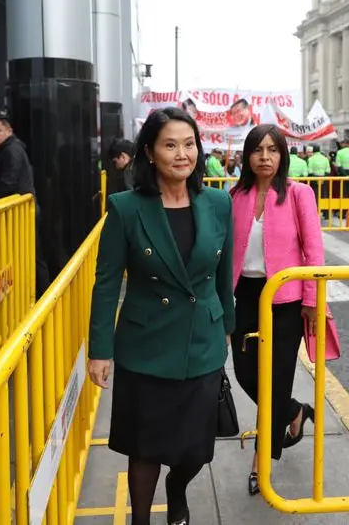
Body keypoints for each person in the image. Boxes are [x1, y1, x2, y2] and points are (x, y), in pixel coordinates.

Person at [87, 107, 235, 525]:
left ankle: (178, 488)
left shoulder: (219, 203)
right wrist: (100, 351)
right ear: (150, 152)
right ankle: (140, 520)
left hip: (202, 343)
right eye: (170, 144)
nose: (181, 154)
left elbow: (225, 275)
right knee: (146, 446)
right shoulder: (125, 208)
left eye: (189, 144)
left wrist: (226, 325)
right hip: (146, 346)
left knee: (195, 449)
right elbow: (106, 282)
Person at [228, 124, 325, 496]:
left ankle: (260, 466)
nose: (265, 157)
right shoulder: (234, 195)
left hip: (286, 301)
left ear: (283, 155)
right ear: (246, 156)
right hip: (246, 297)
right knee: (246, 375)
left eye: (272, 150)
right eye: (257, 150)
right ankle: (293, 412)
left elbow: (314, 251)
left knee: (275, 382)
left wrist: (313, 301)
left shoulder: (299, 194)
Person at [0, 112, 51, 296]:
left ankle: (41, 297)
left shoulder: (10, 150)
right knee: (31, 255)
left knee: (30, 256)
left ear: (9, 130)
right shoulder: (12, 149)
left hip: (22, 214)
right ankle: (41, 297)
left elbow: (9, 182)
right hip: (23, 212)